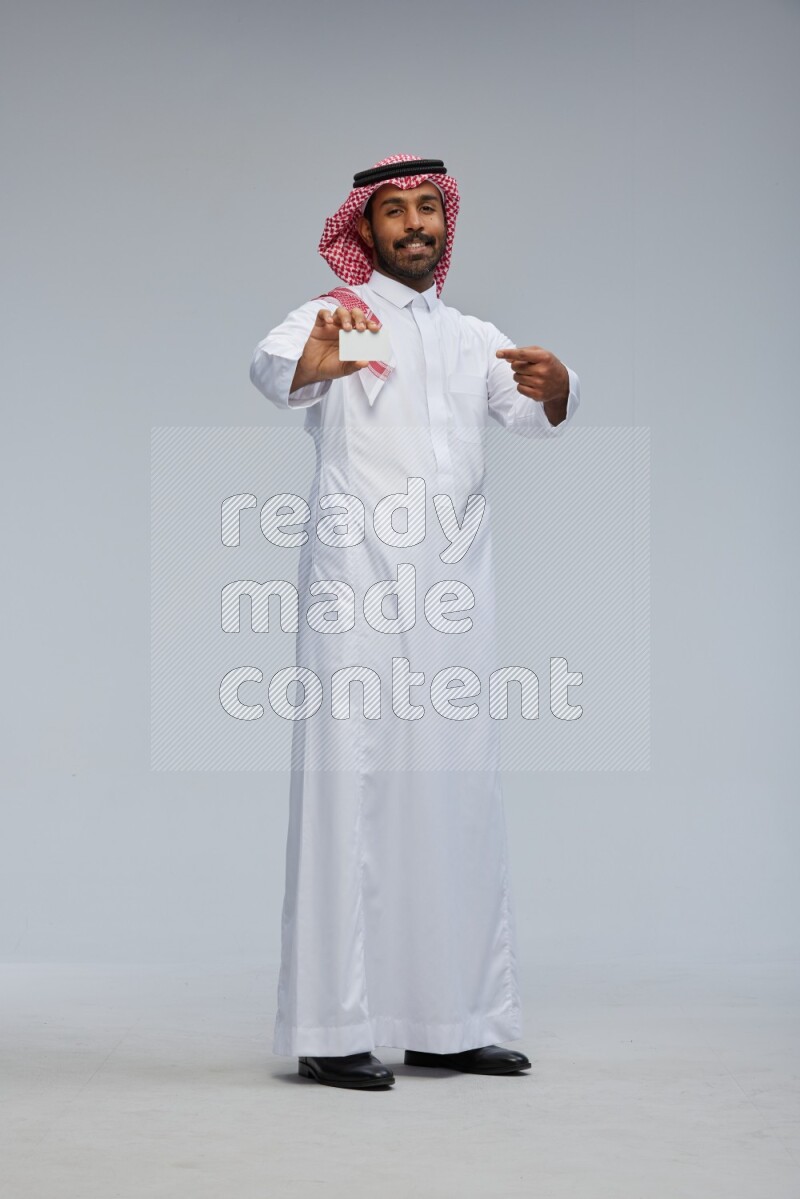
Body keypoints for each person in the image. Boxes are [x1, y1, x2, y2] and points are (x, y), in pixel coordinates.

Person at [249, 154, 581, 1090]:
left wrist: (557, 384)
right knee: (350, 795)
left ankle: (453, 1019)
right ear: (363, 229)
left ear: (446, 221)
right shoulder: (336, 309)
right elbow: (277, 368)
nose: (413, 224)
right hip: (356, 589)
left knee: (455, 796)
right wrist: (324, 350)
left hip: (452, 600)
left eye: (427, 208)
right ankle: (331, 1023)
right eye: (392, 212)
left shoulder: (475, 335)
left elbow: (533, 411)